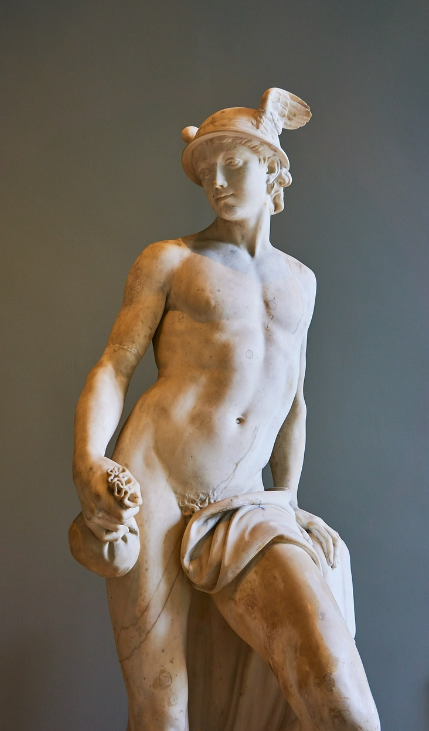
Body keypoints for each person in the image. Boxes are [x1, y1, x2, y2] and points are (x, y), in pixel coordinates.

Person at [70, 88, 381, 731]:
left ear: (272, 168)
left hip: (244, 501)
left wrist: (288, 500)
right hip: (154, 479)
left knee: (339, 698)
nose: (215, 181)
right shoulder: (170, 260)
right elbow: (114, 366)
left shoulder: (301, 281)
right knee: (162, 708)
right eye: (205, 169)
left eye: (231, 164)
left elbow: (293, 400)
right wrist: (89, 464)